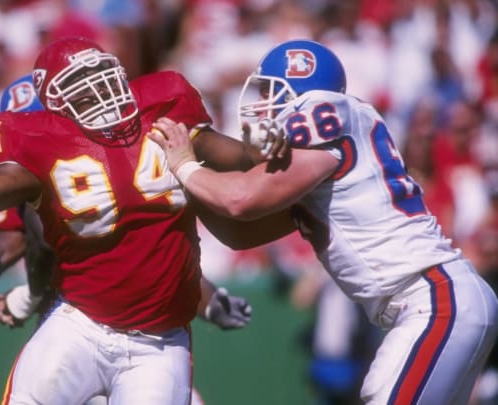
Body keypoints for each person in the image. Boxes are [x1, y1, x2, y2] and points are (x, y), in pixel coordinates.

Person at [0, 36, 277, 404]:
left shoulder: (162, 113)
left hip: (159, 345)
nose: (100, 90)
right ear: (54, 107)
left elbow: (239, 160)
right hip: (81, 325)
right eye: (79, 87)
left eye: (103, 74)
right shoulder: (44, 145)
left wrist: (268, 144)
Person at [148, 39, 498, 405]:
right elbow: (236, 232)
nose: (262, 105)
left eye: (271, 92)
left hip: (434, 300)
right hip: (438, 300)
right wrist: (185, 175)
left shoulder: (326, 110)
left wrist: (184, 164)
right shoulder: (323, 168)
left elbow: (240, 199)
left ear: (301, 93)